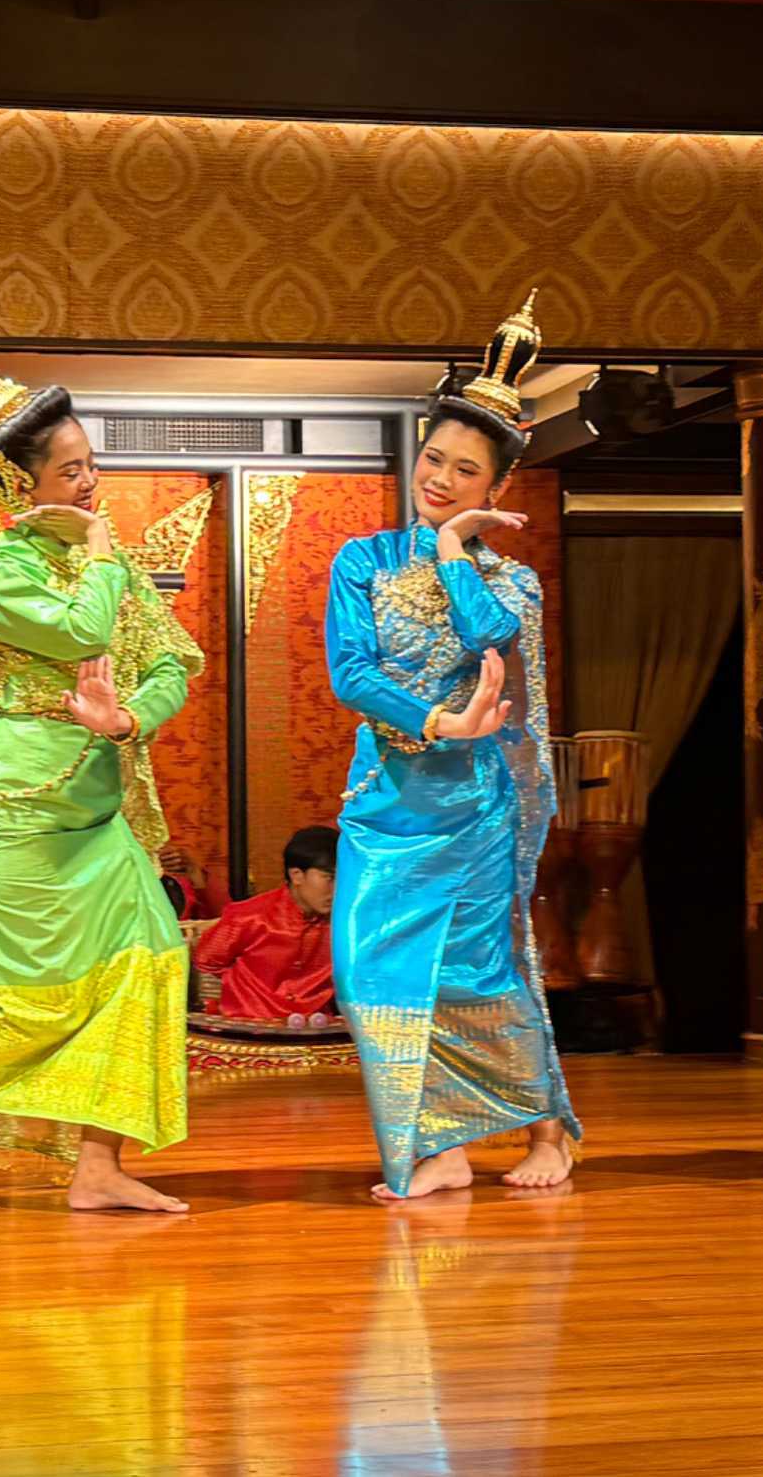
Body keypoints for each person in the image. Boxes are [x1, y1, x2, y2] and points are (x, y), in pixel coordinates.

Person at [0, 321, 203, 1214]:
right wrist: (98, 555)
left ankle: (98, 1165)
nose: (90, 484)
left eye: (90, 465)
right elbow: (83, 631)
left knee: (150, 961)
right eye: (70, 473)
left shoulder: (105, 561)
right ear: (17, 484)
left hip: (97, 809)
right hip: (21, 812)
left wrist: (129, 716)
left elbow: (174, 661)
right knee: (37, 1001)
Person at [327, 292, 581, 1201]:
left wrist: (448, 553)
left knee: (475, 973)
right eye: (433, 457)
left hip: (472, 803)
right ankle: (439, 1142)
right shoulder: (360, 560)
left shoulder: (510, 578)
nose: (439, 477)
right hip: (386, 796)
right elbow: (350, 672)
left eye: (464, 470)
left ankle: (544, 1131)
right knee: (369, 971)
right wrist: (433, 721)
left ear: (494, 488)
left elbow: (489, 637)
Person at [194, 826, 337, 1023]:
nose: (338, 888)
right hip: (249, 1025)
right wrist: (246, 990)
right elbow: (206, 959)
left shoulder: (346, 925)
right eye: (330, 878)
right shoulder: (248, 917)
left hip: (317, 1027)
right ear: (297, 875)